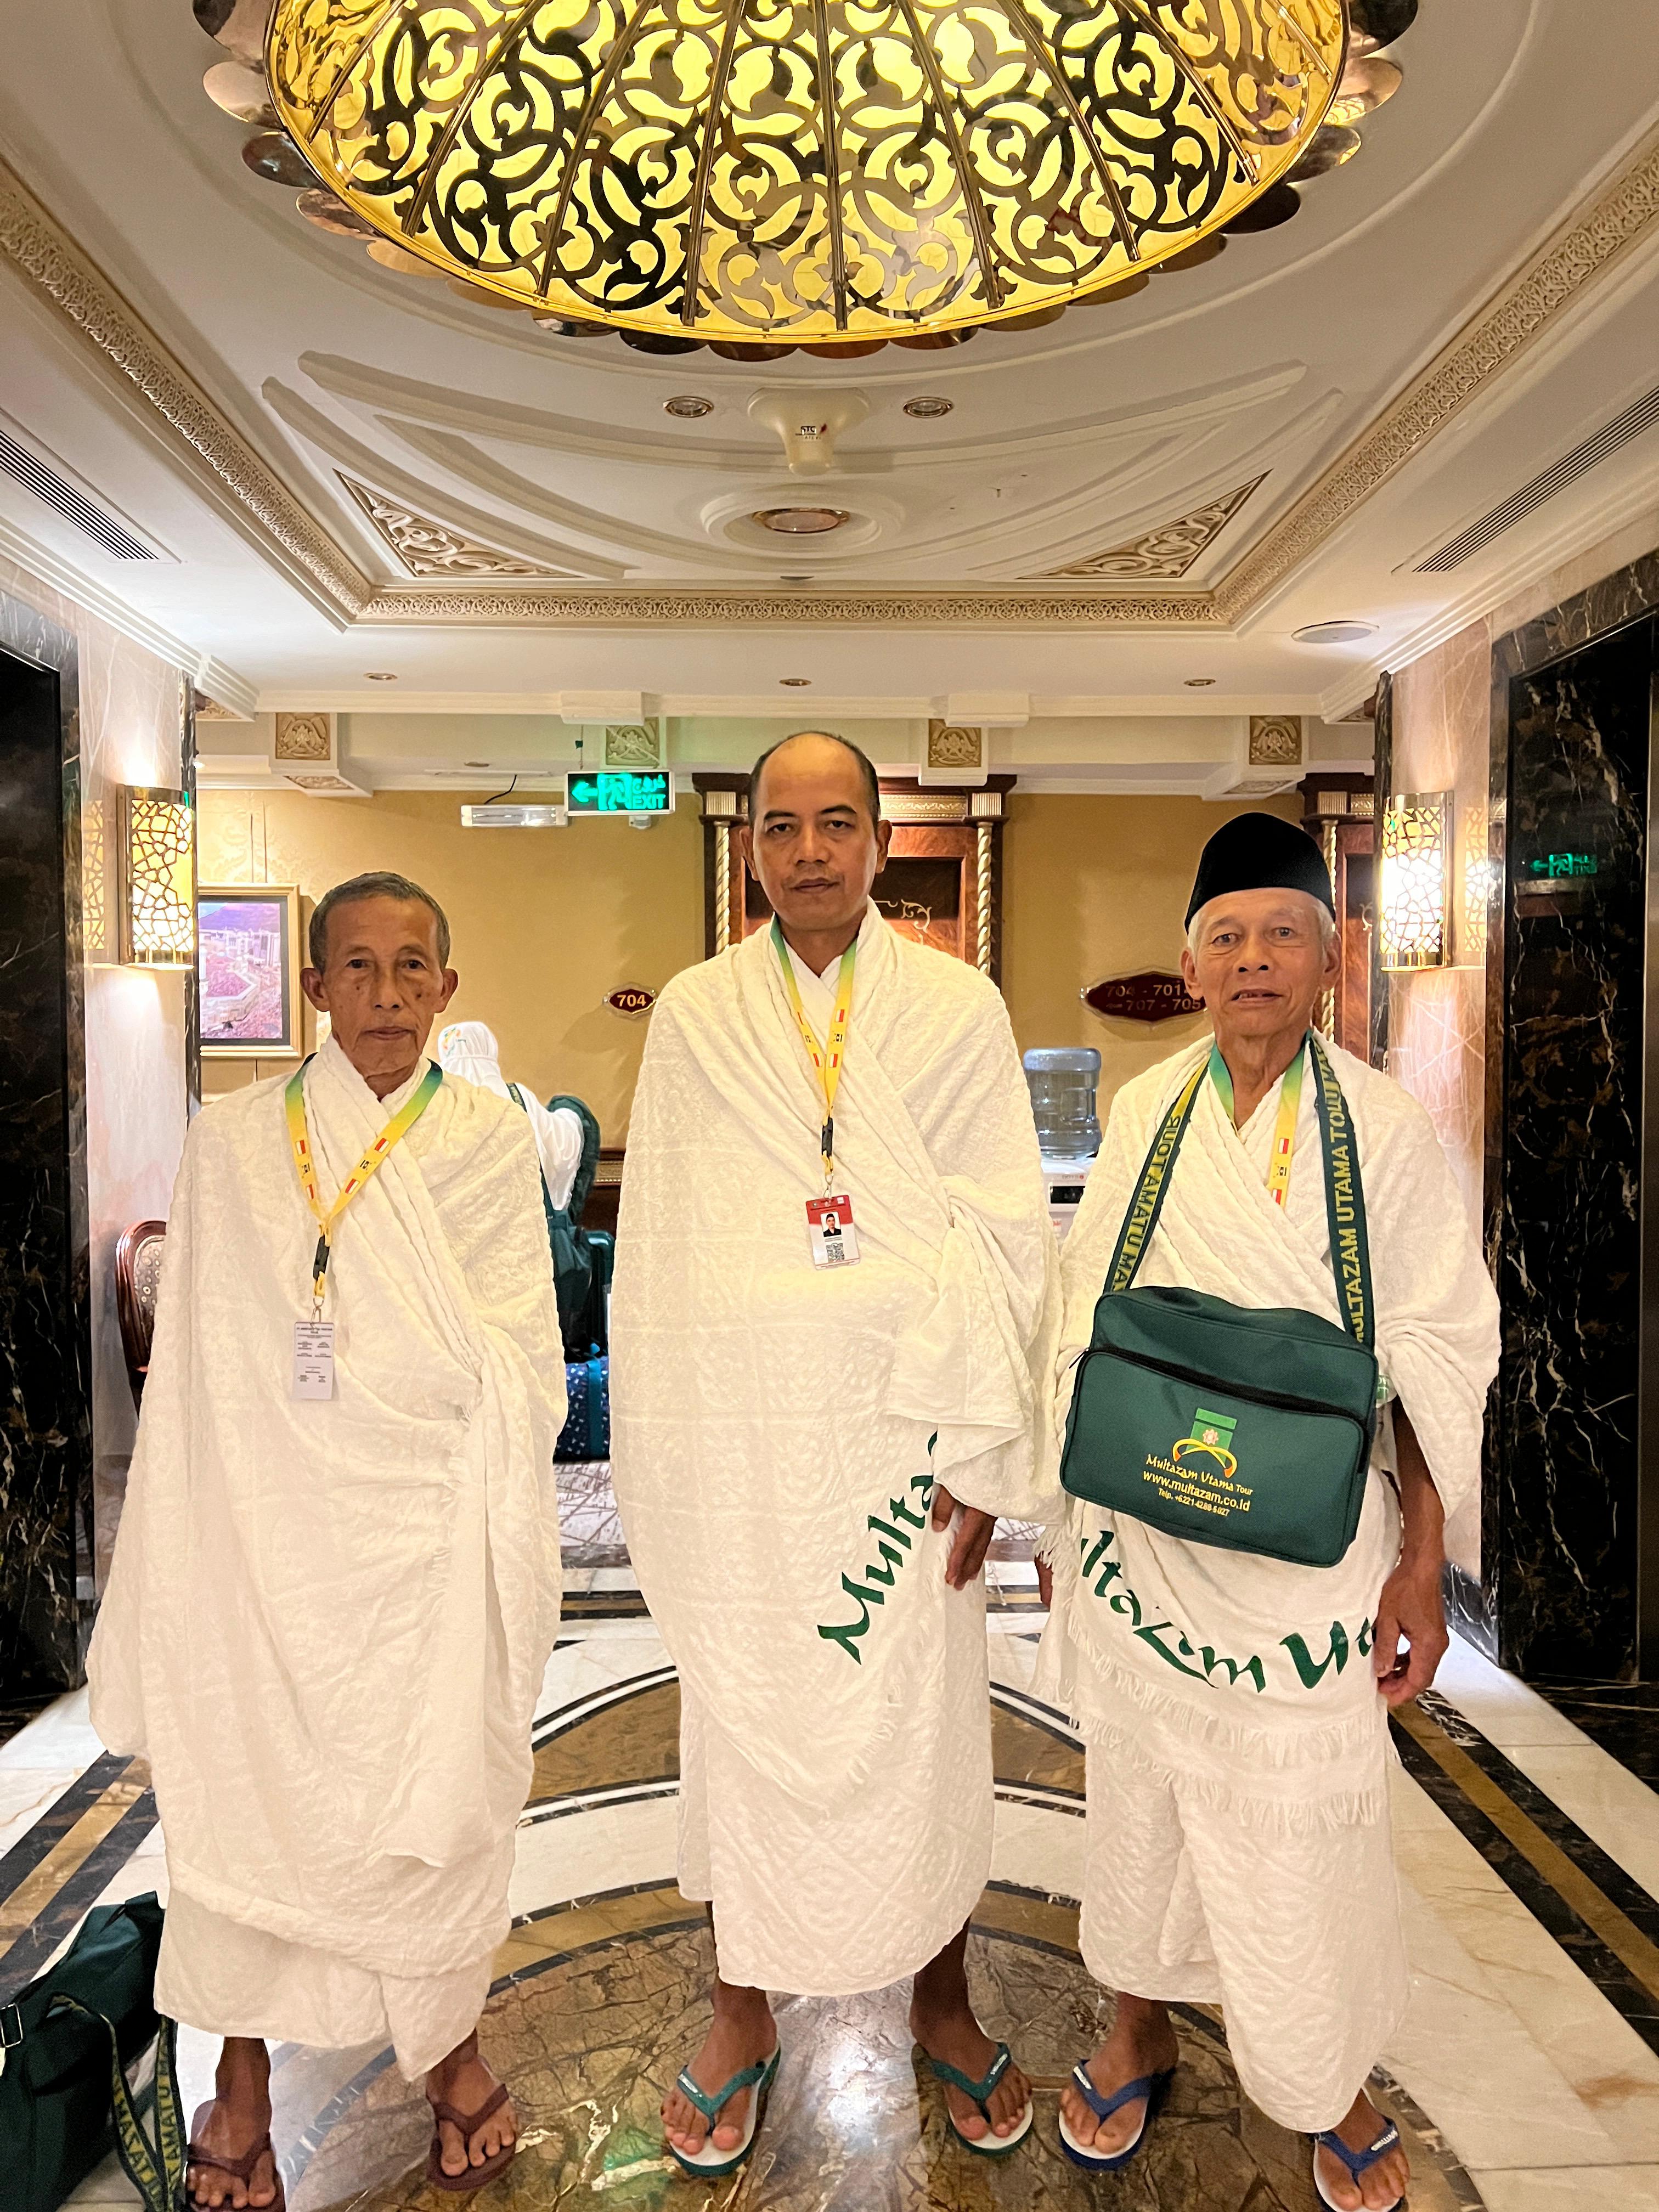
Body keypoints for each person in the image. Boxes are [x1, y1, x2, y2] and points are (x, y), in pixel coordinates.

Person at [610, 733, 1060, 2174]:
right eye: (782, 826)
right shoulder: (698, 1015)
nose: (809, 850)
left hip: (908, 1454)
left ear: (878, 841)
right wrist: (676, 1455)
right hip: (747, 1453)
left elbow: (1008, 1231)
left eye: (837, 823)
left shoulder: (957, 1006)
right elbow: (659, 1255)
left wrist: (983, 1453)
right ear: (752, 848)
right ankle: (741, 2008)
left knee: (919, 1735)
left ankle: (942, 1998)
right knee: (743, 1720)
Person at [1039, 814, 1499, 2211]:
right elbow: (1079, 1325)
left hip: (1307, 1556)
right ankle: (1137, 2021)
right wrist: (1062, 1525)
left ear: (1330, 960)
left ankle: (1322, 2074)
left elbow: (1435, 1353)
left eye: (1281, 934)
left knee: (1300, 1820)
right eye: (1227, 936)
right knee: (1140, 1799)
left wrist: (1423, 1563)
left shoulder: (1384, 1130)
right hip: (1148, 1541)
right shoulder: (1144, 1117)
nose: (1253, 960)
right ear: (1190, 965)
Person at [89, 871, 567, 2208]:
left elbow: (524, 1356)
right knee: (249, 1793)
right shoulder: (236, 1141)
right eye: (357, 966)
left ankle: (448, 2050)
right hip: (266, 1541)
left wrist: (408, 1396)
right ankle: (240, 2078)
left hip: (425, 1548)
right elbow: (197, 1359)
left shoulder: (486, 1139)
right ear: (312, 988)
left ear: (447, 989)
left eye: (413, 967)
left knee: (429, 1806)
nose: (387, 994)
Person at [436, 1019, 584, 1211]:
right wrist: (569, 1112)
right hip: (518, 1216)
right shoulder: (518, 1096)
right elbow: (559, 1146)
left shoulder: (436, 1103)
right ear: (489, 1048)